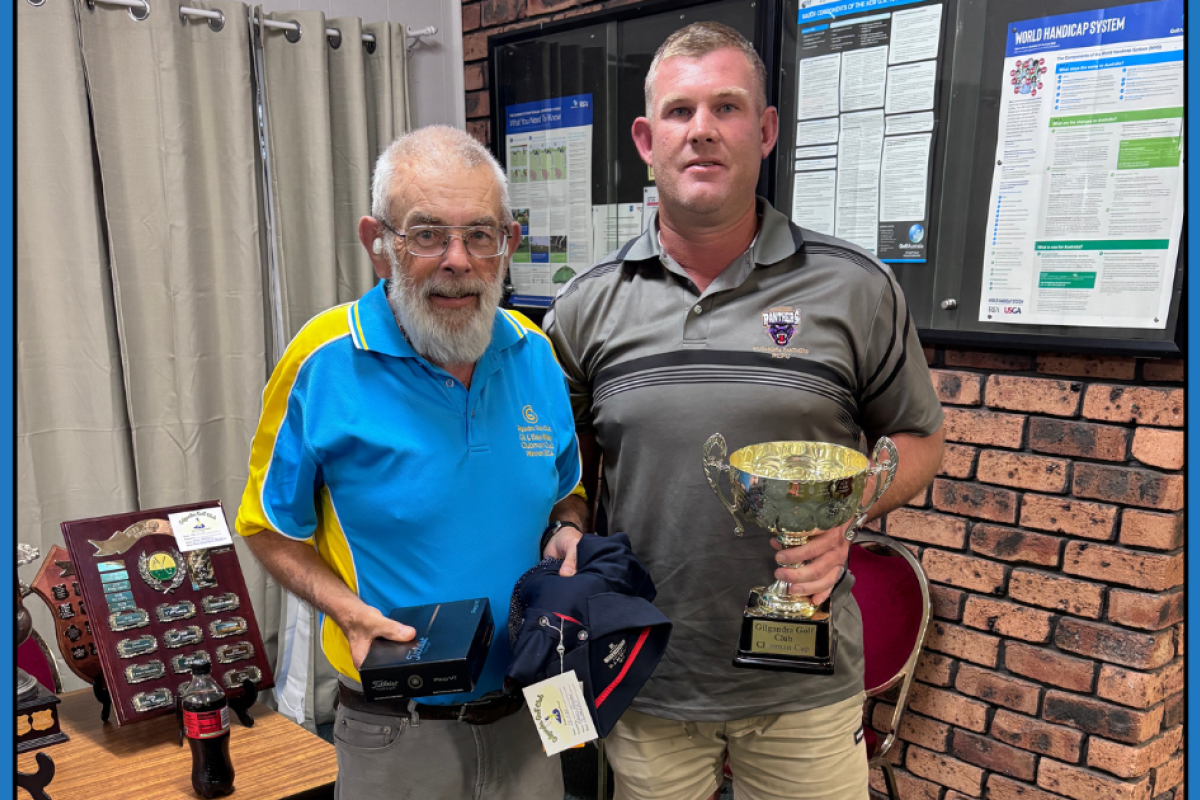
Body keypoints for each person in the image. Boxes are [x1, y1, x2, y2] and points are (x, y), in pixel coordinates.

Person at [543, 22, 945, 800]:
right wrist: (566, 521)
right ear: (646, 139)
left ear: (764, 132)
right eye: (680, 110)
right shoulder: (584, 306)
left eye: (726, 107)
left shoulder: (855, 288)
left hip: (805, 688)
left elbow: (920, 439)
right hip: (646, 676)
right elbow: (565, 466)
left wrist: (845, 513)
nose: (702, 130)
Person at [234, 125, 588, 800]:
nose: (457, 260)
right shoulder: (322, 362)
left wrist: (568, 527)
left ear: (509, 243)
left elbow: (565, 491)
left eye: (480, 234)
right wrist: (347, 612)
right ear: (378, 242)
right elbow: (267, 528)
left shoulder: (535, 353)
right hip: (399, 732)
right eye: (426, 234)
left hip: (532, 712)